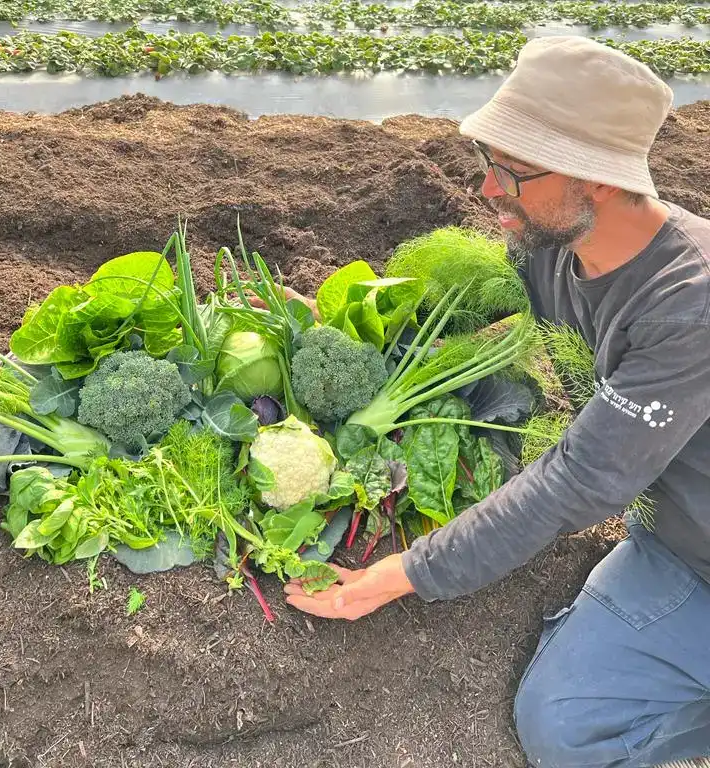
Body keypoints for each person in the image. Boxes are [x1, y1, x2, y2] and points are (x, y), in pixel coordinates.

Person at [284, 36, 710, 768]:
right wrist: (326, 336)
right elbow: (468, 317)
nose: (487, 191)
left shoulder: (689, 304)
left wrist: (403, 573)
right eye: (487, 164)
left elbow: (579, 480)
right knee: (563, 729)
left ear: (595, 179)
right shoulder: (549, 248)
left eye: (510, 172)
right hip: (681, 552)